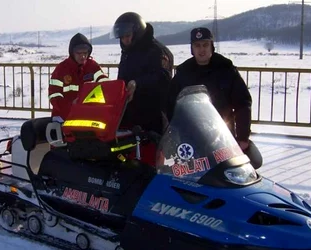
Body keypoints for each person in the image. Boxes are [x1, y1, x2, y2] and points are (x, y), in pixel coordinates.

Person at [168, 27, 261, 168]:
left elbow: (243, 103)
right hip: (192, 138)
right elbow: (170, 103)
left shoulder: (226, 69)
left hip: (223, 136)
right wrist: (174, 133)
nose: (202, 50)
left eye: (205, 45)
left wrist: (242, 137)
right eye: (197, 45)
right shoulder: (184, 72)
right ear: (192, 48)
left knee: (227, 175)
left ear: (212, 46)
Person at [111, 12, 173, 165]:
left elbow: (163, 78)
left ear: (137, 32)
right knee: (128, 160)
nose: (125, 40)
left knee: (150, 160)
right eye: (122, 38)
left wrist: (138, 83)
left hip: (153, 116)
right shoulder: (128, 52)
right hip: (130, 114)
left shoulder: (157, 51)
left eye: (127, 36)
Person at [48, 33, 110, 120]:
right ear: (72, 53)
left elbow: (102, 79)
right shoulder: (61, 69)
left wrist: (110, 88)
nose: (83, 56)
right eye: (79, 53)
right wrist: (70, 106)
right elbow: (54, 94)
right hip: (63, 115)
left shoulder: (92, 66)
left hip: (86, 114)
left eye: (85, 53)